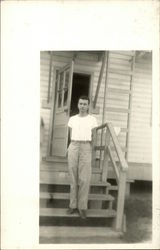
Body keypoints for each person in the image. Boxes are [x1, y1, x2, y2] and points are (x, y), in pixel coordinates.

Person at [67, 96, 98, 219]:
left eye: (85, 104)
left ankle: (82, 207)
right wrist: (70, 147)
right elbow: (70, 136)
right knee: (73, 177)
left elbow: (94, 136)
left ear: (88, 106)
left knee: (84, 179)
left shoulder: (92, 119)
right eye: (81, 103)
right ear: (77, 105)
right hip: (74, 145)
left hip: (86, 146)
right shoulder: (72, 119)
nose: (82, 106)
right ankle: (72, 205)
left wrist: (90, 149)